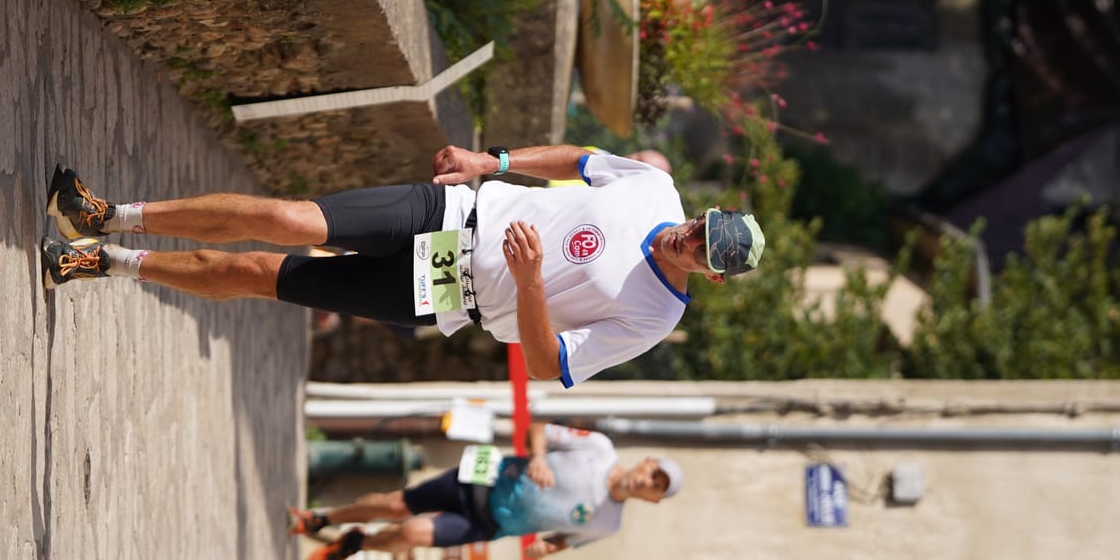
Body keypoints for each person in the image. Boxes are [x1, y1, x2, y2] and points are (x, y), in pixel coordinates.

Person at [39, 145, 766, 387]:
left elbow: (550, 366)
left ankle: (105, 263)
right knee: (293, 218)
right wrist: (495, 161)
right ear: (707, 210)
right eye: (705, 227)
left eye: (706, 252)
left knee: (267, 273)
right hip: (453, 214)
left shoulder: (653, 317)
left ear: (713, 275)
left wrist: (533, 283)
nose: (692, 240)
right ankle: (109, 214)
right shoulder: (655, 186)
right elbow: (580, 161)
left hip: (449, 291)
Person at [289, 423, 682, 560]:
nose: (645, 482)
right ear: (644, 462)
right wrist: (539, 457)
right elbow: (540, 429)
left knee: (411, 533)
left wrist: (547, 548)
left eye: (655, 487)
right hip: (483, 478)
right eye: (652, 473)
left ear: (652, 501)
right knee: (394, 505)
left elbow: (567, 540)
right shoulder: (599, 446)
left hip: (490, 523)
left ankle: (355, 543)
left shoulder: (608, 524)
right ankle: (321, 519)